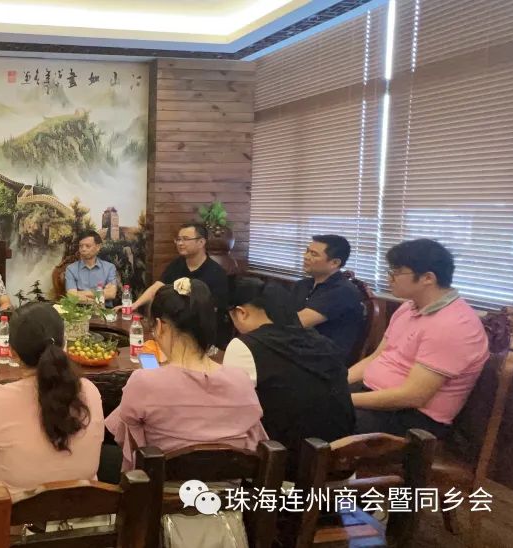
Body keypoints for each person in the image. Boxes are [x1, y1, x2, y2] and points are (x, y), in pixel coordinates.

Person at [106, 279, 264, 548]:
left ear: (161, 326)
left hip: (160, 506)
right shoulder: (240, 381)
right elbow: (255, 444)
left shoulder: (145, 381)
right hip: (227, 508)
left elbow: (125, 439)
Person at [349, 239, 488, 438]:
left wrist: (343, 399)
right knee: (308, 397)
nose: (389, 278)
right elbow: (376, 357)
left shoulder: (454, 325)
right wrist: (336, 385)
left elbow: (413, 396)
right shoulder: (409, 307)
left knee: (317, 417)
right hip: (375, 395)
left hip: (414, 419)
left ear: (427, 278)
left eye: (396, 272)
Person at [0, 302, 104, 496]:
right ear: (64, 343)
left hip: (14, 513)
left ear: (12, 353)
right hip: (85, 510)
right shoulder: (90, 391)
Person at [223, 279, 354, 455]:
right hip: (340, 456)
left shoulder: (245, 346)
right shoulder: (323, 343)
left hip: (282, 460)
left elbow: (232, 412)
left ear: (241, 313)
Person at [125, 223, 231, 346]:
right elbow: (158, 286)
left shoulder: (216, 273)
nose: (180, 243)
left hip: (202, 336)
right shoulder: (177, 264)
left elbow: (214, 311)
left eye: (185, 239)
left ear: (201, 242)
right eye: (178, 239)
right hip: (175, 330)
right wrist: (134, 305)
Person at [291, 235, 365, 365]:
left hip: (323, 360)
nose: (306, 256)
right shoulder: (302, 285)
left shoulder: (343, 291)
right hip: (295, 347)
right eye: (307, 251)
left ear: (334, 263)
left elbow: (297, 322)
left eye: (314, 254)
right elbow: (283, 312)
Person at [65, 230, 118, 303]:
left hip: (104, 308)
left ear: (98, 247)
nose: (83, 249)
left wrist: (79, 293)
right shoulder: (71, 269)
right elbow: (72, 296)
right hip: (79, 308)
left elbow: (111, 294)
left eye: (88, 246)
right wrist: (101, 293)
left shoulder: (109, 268)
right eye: (81, 246)